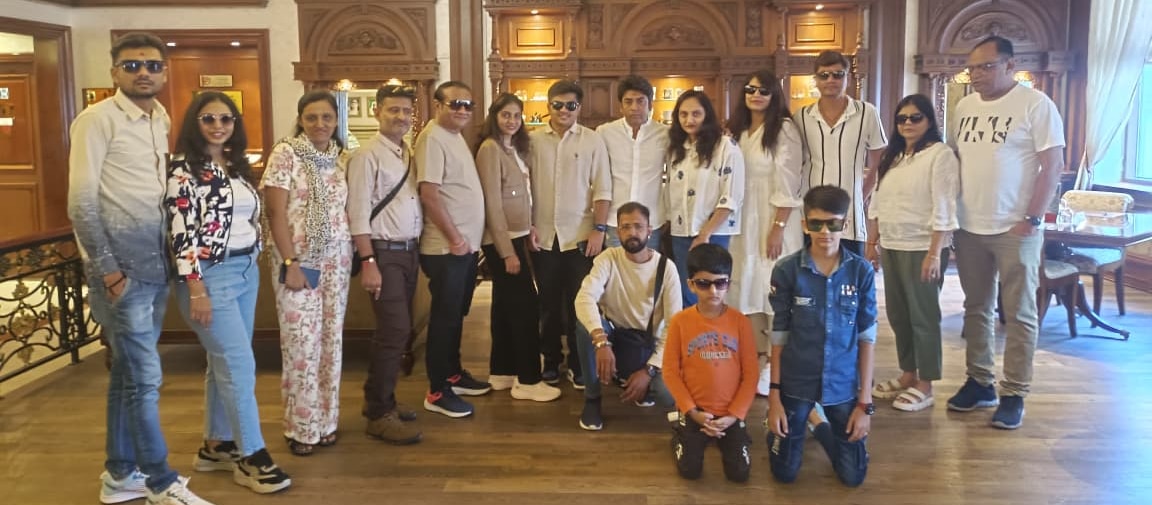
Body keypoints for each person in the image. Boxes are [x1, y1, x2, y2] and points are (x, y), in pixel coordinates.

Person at [69, 32, 211, 505]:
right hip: (121, 274)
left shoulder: (159, 117)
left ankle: (118, 475)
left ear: (164, 72)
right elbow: (81, 203)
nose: (143, 72)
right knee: (146, 380)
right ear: (115, 72)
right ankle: (160, 481)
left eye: (152, 65)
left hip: (155, 267)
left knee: (128, 377)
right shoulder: (96, 121)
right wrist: (108, 271)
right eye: (132, 66)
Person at [167, 91, 292, 493]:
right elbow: (181, 234)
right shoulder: (183, 170)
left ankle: (217, 444)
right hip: (209, 277)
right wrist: (196, 289)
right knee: (238, 364)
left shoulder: (237, 166)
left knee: (221, 362)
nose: (218, 126)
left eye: (226, 119)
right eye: (209, 118)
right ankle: (252, 456)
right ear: (195, 123)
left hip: (244, 270)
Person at [946, 36, 1065, 430]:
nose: (976, 75)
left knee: (1019, 313)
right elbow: (956, 161)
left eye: (985, 66)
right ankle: (980, 382)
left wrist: (1032, 219)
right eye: (971, 68)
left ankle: (1014, 392)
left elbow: (1053, 166)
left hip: (1016, 228)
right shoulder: (964, 107)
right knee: (976, 308)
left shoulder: (1035, 104)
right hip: (970, 225)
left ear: (1010, 65)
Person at [766, 185, 877, 488]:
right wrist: (774, 398)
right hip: (797, 382)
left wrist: (864, 404)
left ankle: (819, 426)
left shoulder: (861, 272)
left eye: (833, 224)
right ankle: (791, 427)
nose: (825, 232)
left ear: (845, 224)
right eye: (816, 224)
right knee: (784, 474)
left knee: (852, 477)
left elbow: (867, 338)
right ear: (805, 225)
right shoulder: (787, 270)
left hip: (843, 384)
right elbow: (779, 336)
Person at [262, 91, 352, 456]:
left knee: (330, 341)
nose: (320, 124)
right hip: (297, 259)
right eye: (311, 117)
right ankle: (300, 426)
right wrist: (290, 262)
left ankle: (326, 422)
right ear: (300, 120)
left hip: (336, 260)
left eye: (327, 117)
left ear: (336, 121)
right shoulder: (285, 154)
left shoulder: (340, 158)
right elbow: (274, 213)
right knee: (301, 344)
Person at [865, 94, 959, 412]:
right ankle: (908, 374)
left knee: (923, 317)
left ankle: (926, 382)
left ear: (929, 120)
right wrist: (872, 244)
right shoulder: (893, 156)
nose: (907, 123)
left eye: (915, 117)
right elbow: (878, 202)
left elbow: (944, 204)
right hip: (892, 244)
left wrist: (934, 253)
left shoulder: (939, 155)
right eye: (902, 118)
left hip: (922, 247)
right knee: (898, 315)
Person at [347, 84, 424, 444]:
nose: (401, 117)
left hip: (409, 251)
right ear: (377, 111)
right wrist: (368, 261)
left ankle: (380, 399)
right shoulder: (366, 156)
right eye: (393, 110)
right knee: (394, 330)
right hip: (383, 252)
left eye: (406, 111)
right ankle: (379, 414)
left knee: (395, 331)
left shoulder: (406, 152)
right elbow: (358, 213)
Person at [476, 93, 561, 402]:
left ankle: (502, 371)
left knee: (504, 305)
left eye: (516, 115)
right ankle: (528, 379)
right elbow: (493, 203)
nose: (511, 121)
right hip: (502, 241)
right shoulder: (490, 149)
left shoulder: (514, 148)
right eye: (505, 115)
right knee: (525, 307)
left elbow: (521, 196)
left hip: (517, 235)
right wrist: (507, 252)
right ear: (494, 117)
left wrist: (528, 230)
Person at [726, 70, 804, 397]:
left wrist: (778, 227)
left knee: (773, 286)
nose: (756, 95)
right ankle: (756, 357)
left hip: (773, 218)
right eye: (751, 89)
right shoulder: (738, 130)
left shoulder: (784, 129)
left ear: (774, 95)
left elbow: (789, 182)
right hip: (742, 219)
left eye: (763, 90)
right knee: (746, 288)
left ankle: (776, 361)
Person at [416, 81, 492, 418]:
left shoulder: (454, 136)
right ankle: (437, 391)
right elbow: (429, 194)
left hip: (463, 248)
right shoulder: (433, 138)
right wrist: (455, 238)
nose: (462, 109)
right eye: (455, 103)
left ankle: (452, 374)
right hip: (446, 249)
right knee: (444, 319)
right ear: (437, 105)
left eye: (468, 105)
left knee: (456, 315)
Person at [529, 80, 612, 388]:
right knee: (548, 305)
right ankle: (550, 360)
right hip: (543, 237)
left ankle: (578, 363)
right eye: (558, 105)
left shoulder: (592, 140)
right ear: (548, 106)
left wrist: (599, 229)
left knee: (580, 304)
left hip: (580, 237)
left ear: (579, 108)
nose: (564, 111)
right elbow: (524, 188)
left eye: (571, 105)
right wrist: (528, 226)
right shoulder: (532, 140)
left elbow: (603, 189)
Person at [573, 202, 682, 431]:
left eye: (638, 226)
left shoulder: (666, 268)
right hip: (615, 338)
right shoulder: (608, 258)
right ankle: (592, 399)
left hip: (648, 345)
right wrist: (600, 341)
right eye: (625, 227)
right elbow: (584, 298)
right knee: (584, 327)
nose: (632, 232)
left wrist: (649, 370)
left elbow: (674, 327)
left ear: (649, 231)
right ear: (618, 231)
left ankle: (641, 383)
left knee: (668, 394)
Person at [663, 244, 758, 483]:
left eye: (720, 283)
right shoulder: (679, 322)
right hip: (695, 412)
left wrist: (734, 415)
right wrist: (692, 411)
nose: (713, 291)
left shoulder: (741, 323)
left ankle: (733, 434)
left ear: (729, 284)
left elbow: (751, 375)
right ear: (691, 284)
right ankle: (680, 433)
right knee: (690, 471)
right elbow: (671, 372)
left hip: (730, 413)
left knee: (739, 474)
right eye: (704, 284)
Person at [795, 51, 887, 255]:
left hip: (850, 218)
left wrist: (860, 195)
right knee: (811, 272)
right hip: (811, 216)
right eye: (824, 75)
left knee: (850, 272)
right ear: (815, 80)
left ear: (848, 77)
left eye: (838, 74)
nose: (831, 80)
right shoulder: (801, 116)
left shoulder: (867, 113)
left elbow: (880, 161)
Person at [664, 90, 745, 309]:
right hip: (681, 233)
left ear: (707, 115)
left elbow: (731, 196)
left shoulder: (725, 146)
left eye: (696, 114)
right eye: (683, 114)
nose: (689, 120)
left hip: (713, 233)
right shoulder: (677, 149)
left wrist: (705, 234)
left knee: (711, 291)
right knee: (686, 292)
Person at [596, 75, 669, 248]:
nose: (634, 107)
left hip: (651, 223)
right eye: (628, 102)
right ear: (621, 106)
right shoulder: (604, 132)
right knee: (616, 266)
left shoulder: (665, 134)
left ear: (650, 104)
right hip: (615, 221)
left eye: (640, 101)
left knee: (648, 265)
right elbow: (599, 177)